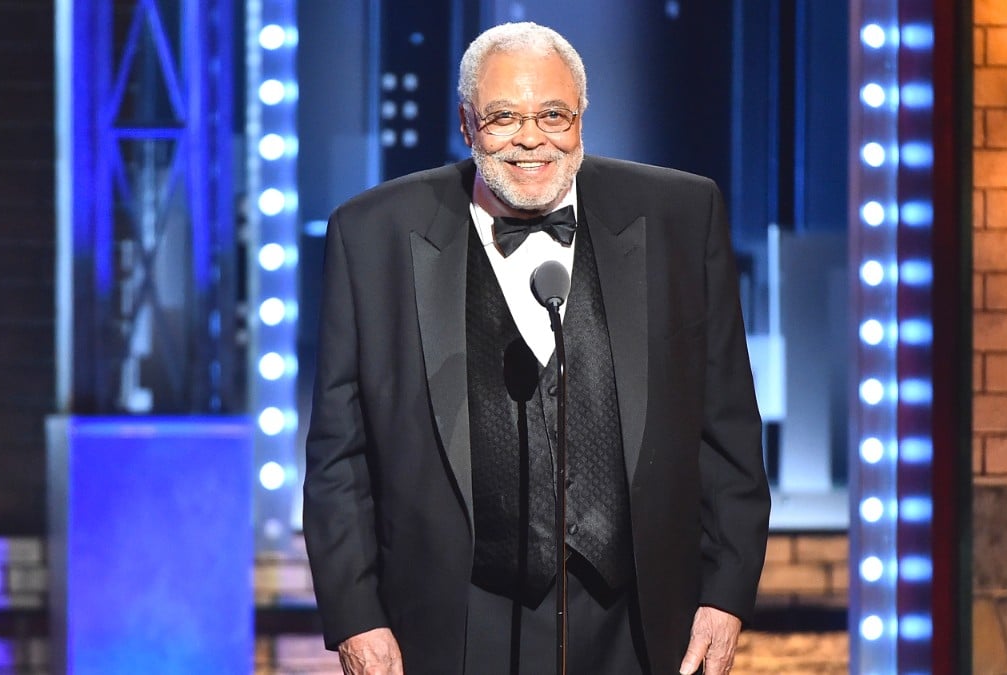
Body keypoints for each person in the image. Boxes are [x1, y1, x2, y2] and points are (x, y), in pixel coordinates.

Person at [304, 21, 770, 675]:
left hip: (636, 621)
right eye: (504, 117)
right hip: (454, 624)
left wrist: (725, 596)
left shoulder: (682, 216)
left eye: (554, 114)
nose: (532, 138)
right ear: (467, 125)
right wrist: (357, 617)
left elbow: (729, 431)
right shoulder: (372, 234)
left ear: (581, 116)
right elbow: (338, 459)